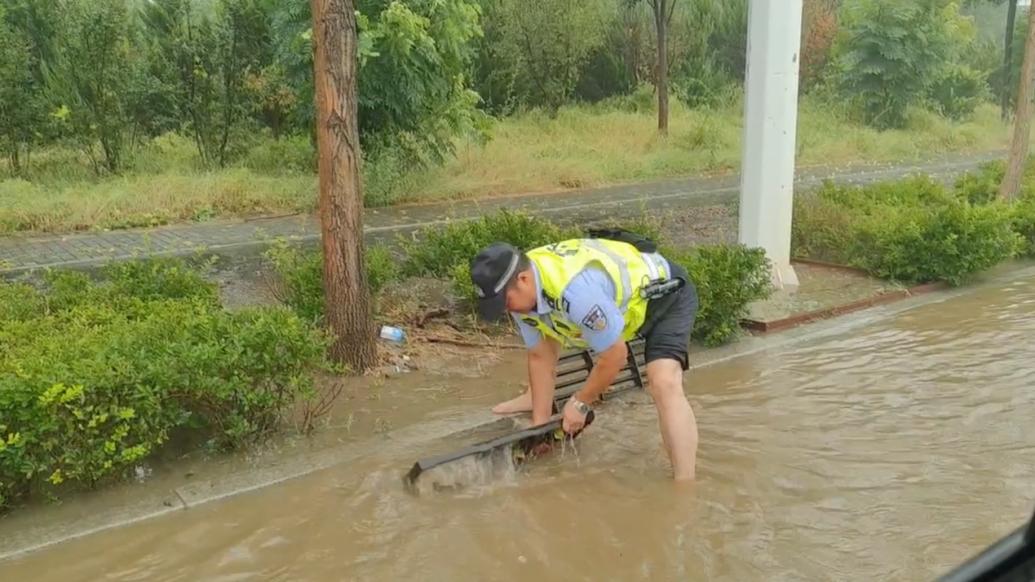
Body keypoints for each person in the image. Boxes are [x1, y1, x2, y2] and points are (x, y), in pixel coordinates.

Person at [469, 233, 701, 480]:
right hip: (621, 309)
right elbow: (541, 356)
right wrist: (540, 429)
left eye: (505, 302)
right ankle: (533, 401)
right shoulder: (519, 290)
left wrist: (581, 403)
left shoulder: (576, 294)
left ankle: (684, 486)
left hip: (665, 297)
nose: (506, 310)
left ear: (523, 279)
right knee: (555, 364)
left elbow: (615, 356)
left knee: (664, 382)